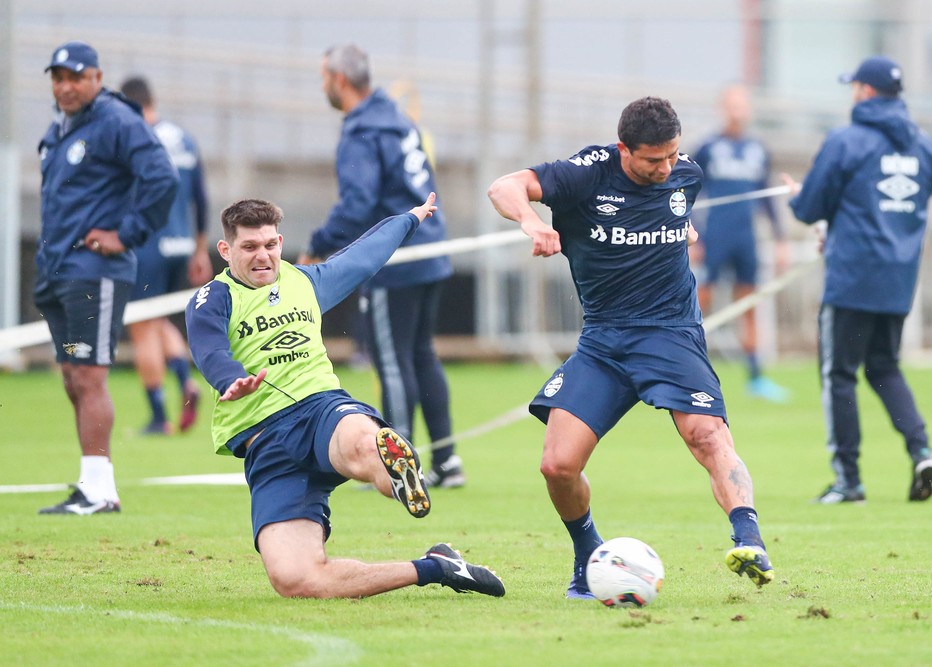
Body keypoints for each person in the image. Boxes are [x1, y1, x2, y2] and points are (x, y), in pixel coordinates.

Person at [487, 96, 774, 598]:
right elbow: (503, 186)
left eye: (672, 156)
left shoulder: (687, 175)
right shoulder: (583, 175)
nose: (666, 168)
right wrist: (534, 223)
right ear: (624, 149)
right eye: (652, 160)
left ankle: (749, 540)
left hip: (671, 333)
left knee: (707, 435)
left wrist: (678, 231)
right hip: (605, 340)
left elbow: (672, 216)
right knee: (557, 465)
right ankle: (586, 557)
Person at [185, 193, 504, 599]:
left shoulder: (305, 280)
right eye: (249, 247)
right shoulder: (212, 298)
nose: (262, 256)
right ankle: (437, 567)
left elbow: (363, 256)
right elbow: (210, 348)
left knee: (360, 446)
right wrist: (230, 378)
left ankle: (390, 468)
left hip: (320, 409)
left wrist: (408, 219)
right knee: (296, 580)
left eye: (269, 245)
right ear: (226, 250)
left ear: (280, 244)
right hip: (266, 445)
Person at [299, 43, 464, 488]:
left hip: (397, 255)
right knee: (421, 355)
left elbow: (357, 205)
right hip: (431, 247)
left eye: (323, 77)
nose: (322, 85)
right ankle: (447, 460)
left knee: (391, 360)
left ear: (339, 79)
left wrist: (318, 247)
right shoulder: (396, 117)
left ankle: (401, 464)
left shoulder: (362, 130)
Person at [786, 56, 932, 504]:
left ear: (866, 91)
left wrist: (803, 199)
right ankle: (921, 449)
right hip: (898, 278)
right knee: (885, 366)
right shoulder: (926, 147)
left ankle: (848, 479)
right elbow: (914, 202)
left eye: (854, 85)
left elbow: (809, 207)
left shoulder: (846, 140)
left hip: (852, 278)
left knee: (839, 374)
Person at [35, 42, 178, 515]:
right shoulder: (61, 128)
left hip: (94, 275)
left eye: (75, 77)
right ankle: (89, 483)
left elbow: (162, 177)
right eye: (57, 78)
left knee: (91, 375)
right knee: (75, 375)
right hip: (59, 273)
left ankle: (101, 491)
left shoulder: (116, 120)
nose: (65, 86)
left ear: (97, 77)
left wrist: (127, 234)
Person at [120, 75, 212, 435]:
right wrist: (200, 245)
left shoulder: (136, 139)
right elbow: (201, 196)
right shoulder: (183, 137)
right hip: (182, 244)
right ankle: (186, 382)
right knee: (160, 322)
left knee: (141, 327)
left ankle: (159, 417)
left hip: (148, 246)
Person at [692, 84, 791, 403]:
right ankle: (685, 369)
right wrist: (691, 233)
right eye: (731, 105)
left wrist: (780, 240)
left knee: (748, 304)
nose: (737, 111)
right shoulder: (708, 148)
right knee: (697, 304)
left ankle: (756, 376)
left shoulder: (758, 149)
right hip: (714, 236)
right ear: (723, 108)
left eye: (742, 105)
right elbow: (685, 192)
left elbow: (767, 198)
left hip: (745, 238)